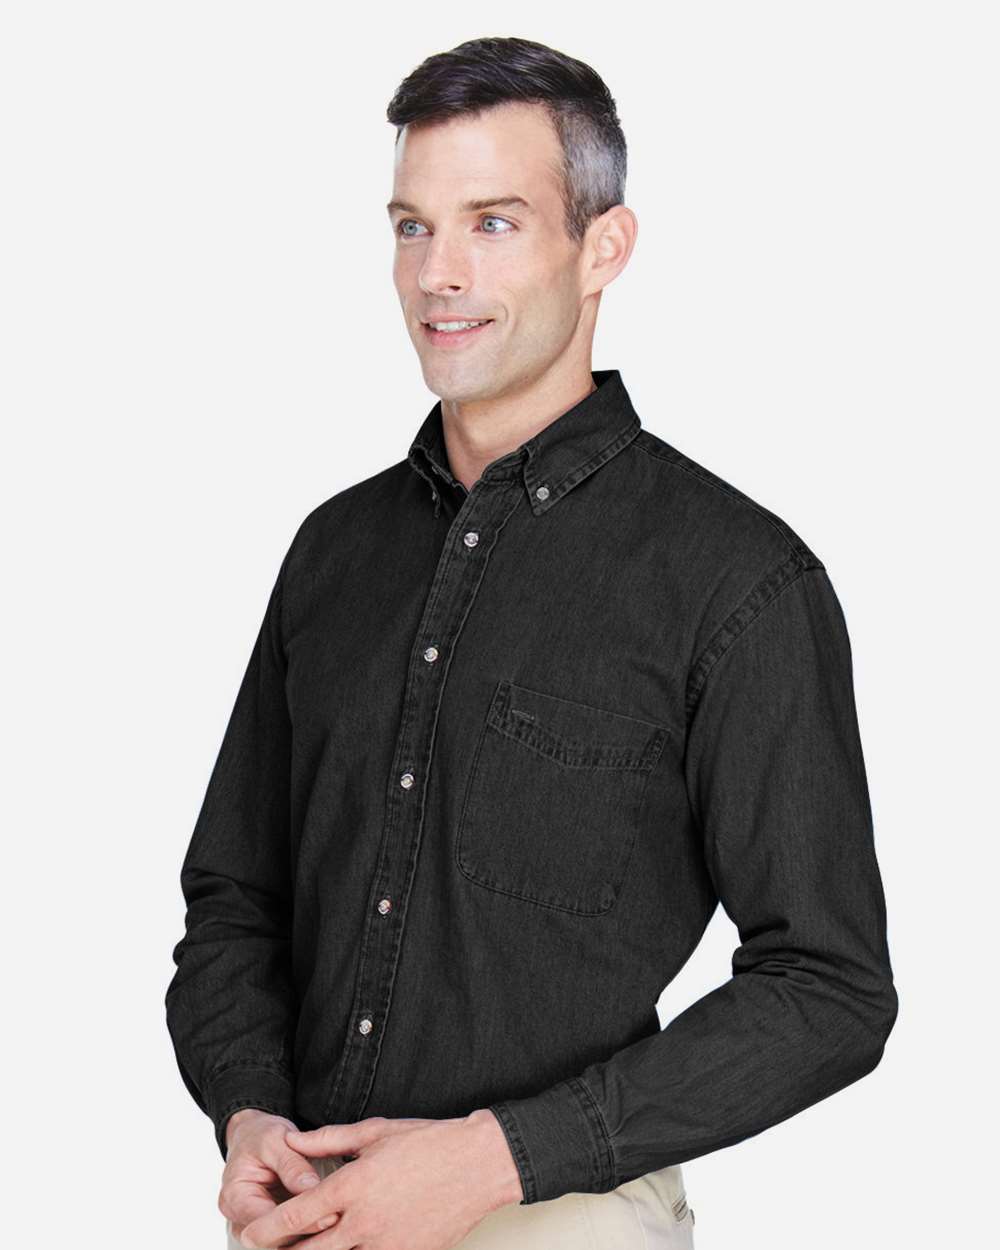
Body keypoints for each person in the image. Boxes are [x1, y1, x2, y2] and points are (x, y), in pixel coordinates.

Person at [165, 34, 898, 1250]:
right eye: (412, 226)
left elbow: (830, 987)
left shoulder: (737, 578)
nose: (437, 273)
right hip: (307, 1207)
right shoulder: (334, 551)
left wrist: (498, 1156)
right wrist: (248, 1112)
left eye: (492, 223)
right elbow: (237, 897)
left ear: (602, 246)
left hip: (560, 1216)